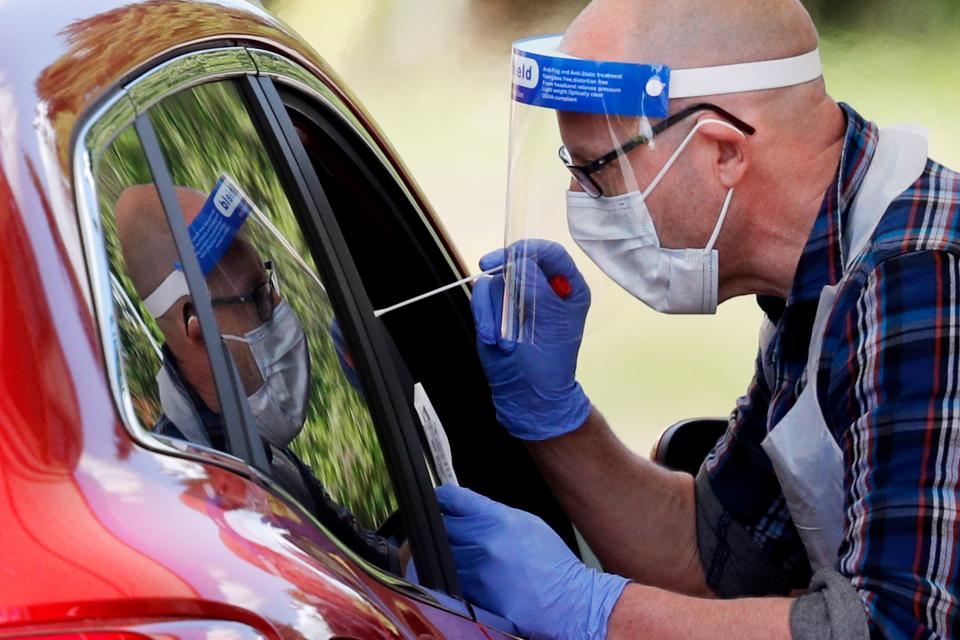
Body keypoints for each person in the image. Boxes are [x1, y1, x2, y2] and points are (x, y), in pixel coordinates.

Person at [437, 0, 960, 638]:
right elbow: (717, 559)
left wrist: (591, 612)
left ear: (721, 151)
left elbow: (903, 628)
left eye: (601, 172)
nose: (583, 202)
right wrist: (552, 415)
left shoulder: (923, 280)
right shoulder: (822, 274)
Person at [113, 184, 404, 575]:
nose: (279, 306)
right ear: (197, 327)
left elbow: (384, 572)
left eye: (269, 283)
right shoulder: (198, 511)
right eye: (258, 295)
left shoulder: (261, 451)